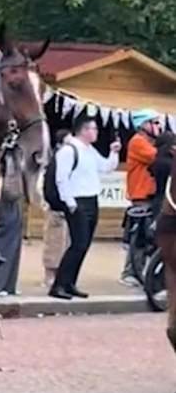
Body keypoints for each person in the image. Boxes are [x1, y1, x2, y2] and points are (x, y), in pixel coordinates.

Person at [50, 116, 121, 300]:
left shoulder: (90, 150)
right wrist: (70, 203)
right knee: (78, 244)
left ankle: (70, 283)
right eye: (93, 129)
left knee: (84, 245)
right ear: (83, 130)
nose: (96, 132)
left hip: (91, 199)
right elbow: (61, 178)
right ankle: (58, 284)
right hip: (77, 200)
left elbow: (106, 167)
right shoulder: (69, 150)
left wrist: (113, 153)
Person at [120, 109, 162, 286]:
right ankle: (130, 272)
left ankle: (144, 270)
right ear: (144, 125)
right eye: (155, 122)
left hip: (152, 195)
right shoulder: (138, 142)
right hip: (141, 194)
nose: (159, 126)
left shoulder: (151, 142)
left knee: (150, 235)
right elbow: (157, 158)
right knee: (140, 234)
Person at [41, 130, 71, 287]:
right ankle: (49, 276)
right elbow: (50, 186)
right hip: (56, 208)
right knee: (53, 243)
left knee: (65, 244)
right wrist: (54, 204)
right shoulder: (55, 161)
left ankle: (61, 276)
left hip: (67, 208)